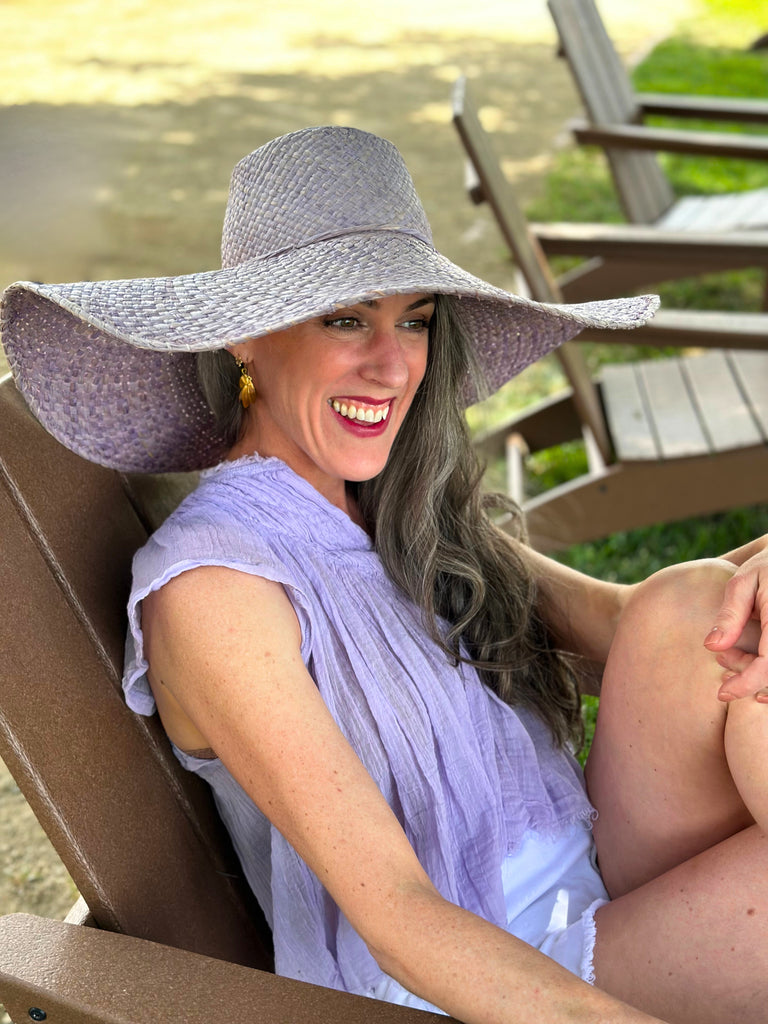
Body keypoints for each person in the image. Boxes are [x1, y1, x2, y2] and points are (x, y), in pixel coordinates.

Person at [2, 126, 767, 1024]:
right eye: (345, 318)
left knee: (708, 613)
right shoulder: (218, 590)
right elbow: (401, 919)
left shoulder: (400, 508)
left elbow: (654, 623)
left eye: (414, 319)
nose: (394, 362)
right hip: (470, 974)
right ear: (245, 336)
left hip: (583, 877)